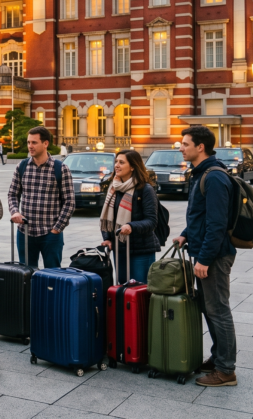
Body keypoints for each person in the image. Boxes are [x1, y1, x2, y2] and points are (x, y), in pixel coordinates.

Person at [173, 125, 237, 388]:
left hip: (214, 256)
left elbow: (217, 224)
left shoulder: (213, 177)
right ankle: (218, 357)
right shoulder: (201, 173)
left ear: (200, 147)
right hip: (203, 251)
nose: (181, 147)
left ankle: (226, 371)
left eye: (185, 144)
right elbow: (200, 215)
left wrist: (205, 260)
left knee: (218, 310)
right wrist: (186, 234)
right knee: (210, 309)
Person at [7, 127, 74, 268]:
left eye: (34, 142)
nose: (30, 146)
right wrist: (15, 211)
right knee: (25, 277)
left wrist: (57, 229)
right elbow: (13, 193)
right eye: (28, 142)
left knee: (52, 276)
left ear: (45, 143)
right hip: (25, 232)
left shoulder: (61, 169)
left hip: (50, 234)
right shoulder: (22, 166)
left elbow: (69, 202)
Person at [98, 150, 159, 284]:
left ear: (132, 166)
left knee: (139, 289)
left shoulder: (145, 189)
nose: (117, 165)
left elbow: (151, 221)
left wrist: (131, 226)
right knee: (122, 287)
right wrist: (107, 238)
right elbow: (108, 219)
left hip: (141, 249)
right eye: (116, 162)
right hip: (120, 248)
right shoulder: (114, 188)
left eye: (121, 162)